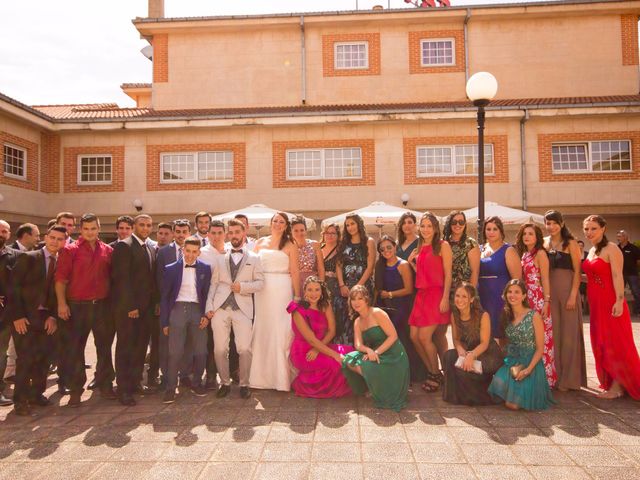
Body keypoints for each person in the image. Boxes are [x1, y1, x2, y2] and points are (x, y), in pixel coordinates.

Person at [55, 213, 116, 407]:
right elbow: (60, 280)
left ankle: (105, 384)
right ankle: (75, 390)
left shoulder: (108, 250)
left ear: (99, 229)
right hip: (76, 307)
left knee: (104, 348)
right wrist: (62, 304)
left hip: (101, 307)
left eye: (93, 228)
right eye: (86, 228)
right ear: (81, 230)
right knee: (75, 350)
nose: (90, 232)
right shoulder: (69, 250)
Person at [6, 225, 67, 415]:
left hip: (46, 317)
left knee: (44, 358)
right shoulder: (29, 258)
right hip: (24, 317)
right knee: (25, 360)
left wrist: (53, 317)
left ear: (64, 242)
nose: (55, 241)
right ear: (46, 237)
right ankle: (20, 400)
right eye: (52, 237)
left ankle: (36, 394)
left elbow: (58, 294)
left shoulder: (62, 262)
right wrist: (17, 316)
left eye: (60, 239)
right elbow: (12, 288)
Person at [582, 215, 640, 399]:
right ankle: (613, 382)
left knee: (616, 343)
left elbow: (617, 276)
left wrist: (619, 300)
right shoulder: (591, 251)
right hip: (596, 303)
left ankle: (617, 387)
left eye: (593, 228)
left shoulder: (611, 248)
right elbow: (592, 276)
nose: (589, 232)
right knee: (602, 342)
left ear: (603, 229)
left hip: (610, 302)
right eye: (586, 229)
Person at [206, 219, 264, 399]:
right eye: (230, 232)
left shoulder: (254, 258)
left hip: (243, 308)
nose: (233, 236)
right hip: (220, 308)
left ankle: (244, 384)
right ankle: (224, 382)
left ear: (243, 233)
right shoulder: (219, 257)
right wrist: (209, 307)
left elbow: (261, 283)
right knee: (219, 350)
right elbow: (213, 284)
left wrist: (243, 287)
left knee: (244, 348)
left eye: (237, 232)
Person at [249, 212, 300, 391]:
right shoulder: (259, 243)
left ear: (286, 226)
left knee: (281, 330)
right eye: (275, 221)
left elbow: (295, 271)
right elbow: (251, 267)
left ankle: (281, 379)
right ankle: (259, 378)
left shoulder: (290, 244)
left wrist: (297, 296)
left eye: (282, 222)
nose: (278, 224)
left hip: (282, 288)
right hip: (262, 290)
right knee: (263, 328)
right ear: (270, 223)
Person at [111, 214, 157, 406]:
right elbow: (121, 279)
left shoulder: (150, 248)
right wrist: (130, 306)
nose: (145, 228)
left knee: (140, 348)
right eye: (141, 225)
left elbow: (151, 280)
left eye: (148, 225)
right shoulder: (125, 246)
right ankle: (123, 389)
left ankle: (136, 382)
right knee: (126, 348)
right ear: (134, 226)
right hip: (130, 310)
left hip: (146, 310)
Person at [488, 279, 554, 411]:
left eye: (517, 292)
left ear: (524, 296)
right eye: (510, 292)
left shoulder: (534, 316)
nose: (513, 295)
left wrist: (528, 370)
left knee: (512, 405)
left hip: (531, 364)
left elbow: (540, 348)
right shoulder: (506, 314)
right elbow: (504, 342)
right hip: (513, 362)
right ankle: (511, 389)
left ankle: (521, 390)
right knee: (497, 385)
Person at [342, 285, 410, 411]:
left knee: (366, 365)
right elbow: (358, 345)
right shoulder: (357, 321)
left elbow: (393, 336)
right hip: (374, 354)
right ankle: (374, 385)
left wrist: (377, 352)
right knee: (348, 360)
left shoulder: (377, 313)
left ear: (366, 299)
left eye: (360, 298)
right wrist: (368, 350)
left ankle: (381, 387)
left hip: (393, 355)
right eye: (353, 299)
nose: (356, 302)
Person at [160, 237, 211, 403]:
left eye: (194, 252)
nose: (190, 255)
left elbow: (207, 294)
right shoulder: (171, 269)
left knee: (201, 350)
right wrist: (165, 322)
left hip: (197, 310)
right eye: (187, 251)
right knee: (175, 352)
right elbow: (165, 297)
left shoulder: (205, 268)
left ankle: (197, 382)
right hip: (177, 310)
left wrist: (206, 315)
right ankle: (170, 387)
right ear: (183, 250)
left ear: (199, 252)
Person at [408, 212, 452, 393]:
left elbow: (448, 273)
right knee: (414, 337)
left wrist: (445, 298)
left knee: (425, 337)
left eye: (429, 226)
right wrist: (412, 262)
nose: (426, 229)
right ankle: (432, 371)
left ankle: (435, 373)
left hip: (436, 294)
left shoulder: (443, 246)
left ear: (435, 228)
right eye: (423, 226)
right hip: (421, 295)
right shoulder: (419, 247)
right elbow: (421, 274)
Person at [287, 277, 353, 398]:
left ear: (322, 291)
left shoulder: (325, 305)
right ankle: (313, 387)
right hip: (303, 352)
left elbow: (332, 331)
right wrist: (335, 355)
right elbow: (311, 340)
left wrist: (318, 349)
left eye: (317, 289)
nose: (314, 294)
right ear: (304, 291)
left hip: (321, 346)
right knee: (336, 362)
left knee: (350, 352)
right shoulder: (297, 310)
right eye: (310, 290)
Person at [543, 210, 587, 391]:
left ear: (561, 223)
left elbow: (578, 271)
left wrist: (573, 295)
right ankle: (555, 376)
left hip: (568, 291)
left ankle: (570, 379)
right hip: (549, 293)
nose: (551, 227)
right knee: (554, 334)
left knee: (569, 335)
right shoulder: (544, 243)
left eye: (554, 223)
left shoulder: (571, 243)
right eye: (548, 223)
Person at [442, 283, 503, 406]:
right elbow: (456, 338)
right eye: (457, 296)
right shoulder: (455, 315)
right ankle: (455, 397)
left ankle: (484, 395)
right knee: (449, 356)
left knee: (462, 371)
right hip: (469, 352)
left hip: (487, 356)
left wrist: (471, 355)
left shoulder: (483, 315)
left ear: (472, 299)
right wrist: (460, 350)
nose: (460, 300)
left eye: (464, 296)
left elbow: (485, 343)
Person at [515, 223, 557, 388]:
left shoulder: (540, 253)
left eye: (530, 234)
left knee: (543, 339)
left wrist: (546, 302)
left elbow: (545, 278)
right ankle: (531, 375)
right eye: (524, 233)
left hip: (538, 298)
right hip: (526, 299)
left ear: (537, 237)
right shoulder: (525, 254)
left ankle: (546, 379)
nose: (527, 236)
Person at [154, 219, 191, 389]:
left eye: (184, 231)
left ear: (189, 233)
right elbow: (159, 280)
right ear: (173, 233)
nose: (181, 234)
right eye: (178, 231)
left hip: (189, 304)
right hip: (169, 304)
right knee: (166, 342)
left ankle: (184, 375)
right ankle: (166, 375)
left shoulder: (196, 250)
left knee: (186, 341)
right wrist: (162, 302)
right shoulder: (163, 252)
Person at [373, 236, 416, 379]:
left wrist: (390, 294)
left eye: (389, 247)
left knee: (401, 340)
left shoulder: (402, 264)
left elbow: (409, 289)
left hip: (402, 307)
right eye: (382, 249)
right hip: (386, 308)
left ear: (395, 247)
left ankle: (406, 375)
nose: (386, 251)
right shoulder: (380, 266)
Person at [478, 216, 522, 340]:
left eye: (495, 229)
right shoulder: (480, 249)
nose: (491, 232)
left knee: (502, 336)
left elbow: (517, 281)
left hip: (501, 299)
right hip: (483, 298)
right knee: (485, 336)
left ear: (501, 231)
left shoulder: (508, 250)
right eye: (488, 229)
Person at [335, 214, 376, 344]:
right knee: (346, 319)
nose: (350, 227)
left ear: (359, 224)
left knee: (363, 318)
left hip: (363, 287)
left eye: (352, 224)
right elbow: (339, 266)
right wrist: (342, 285)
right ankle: (349, 351)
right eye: (347, 225)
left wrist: (358, 288)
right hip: (345, 288)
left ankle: (364, 350)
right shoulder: (343, 243)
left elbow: (370, 267)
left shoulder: (368, 242)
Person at [199, 219, 228, 389]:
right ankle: (210, 375)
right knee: (211, 342)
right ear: (208, 234)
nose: (216, 236)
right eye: (213, 233)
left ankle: (231, 373)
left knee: (229, 341)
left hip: (229, 302)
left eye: (219, 233)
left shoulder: (232, 251)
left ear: (225, 234)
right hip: (209, 303)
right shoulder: (201, 253)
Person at [0, 219, 19, 407]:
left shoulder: (13, 256)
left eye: (4, 232)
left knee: (1, 354)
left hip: (5, 316)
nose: (1, 234)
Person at [442, 211, 480, 290]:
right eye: (454, 222)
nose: (457, 225)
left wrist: (470, 295)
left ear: (465, 224)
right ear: (450, 224)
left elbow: (475, 272)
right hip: (444, 290)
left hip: (464, 293)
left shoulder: (471, 244)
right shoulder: (443, 243)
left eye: (461, 222)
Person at [292, 215, 325, 293]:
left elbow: (321, 268)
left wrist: (321, 287)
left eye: (302, 230)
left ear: (306, 231)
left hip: (313, 284)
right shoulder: (289, 247)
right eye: (296, 231)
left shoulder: (315, 245)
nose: (299, 233)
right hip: (294, 283)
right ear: (291, 232)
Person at [320, 223, 341, 331]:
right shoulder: (318, 248)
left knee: (335, 316)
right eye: (327, 233)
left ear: (338, 235)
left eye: (333, 233)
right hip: (320, 287)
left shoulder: (341, 250)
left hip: (335, 288)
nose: (330, 235)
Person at [617, 230, 640, 316]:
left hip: (632, 274)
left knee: (636, 292)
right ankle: (620, 310)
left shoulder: (634, 248)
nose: (618, 238)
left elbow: (638, 261)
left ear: (625, 237)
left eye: (620, 236)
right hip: (619, 274)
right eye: (617, 236)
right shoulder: (616, 248)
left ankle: (638, 311)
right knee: (619, 293)